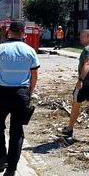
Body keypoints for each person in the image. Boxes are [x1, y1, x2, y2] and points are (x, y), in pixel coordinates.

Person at [0, 21, 40, 176]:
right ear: (24, 33)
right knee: (17, 132)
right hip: (21, 94)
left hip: (1, 93)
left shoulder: (1, 49)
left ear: (9, 32)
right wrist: (29, 92)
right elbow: (34, 75)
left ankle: (1, 157)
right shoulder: (30, 51)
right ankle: (11, 170)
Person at [61, 29, 89, 142]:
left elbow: (87, 63)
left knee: (76, 105)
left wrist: (80, 79)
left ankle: (69, 130)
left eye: (83, 36)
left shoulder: (87, 50)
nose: (80, 38)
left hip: (85, 84)